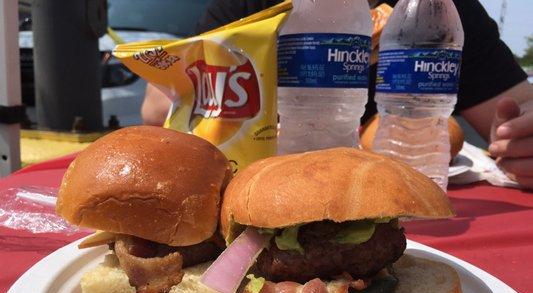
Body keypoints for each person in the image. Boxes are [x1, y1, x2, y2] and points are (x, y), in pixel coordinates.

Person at [141, 0, 533, 189]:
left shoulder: (438, 9)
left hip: (406, 192)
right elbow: (157, 107)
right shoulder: (249, 4)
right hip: (278, 181)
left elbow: (519, 105)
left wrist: (520, 135)